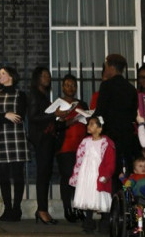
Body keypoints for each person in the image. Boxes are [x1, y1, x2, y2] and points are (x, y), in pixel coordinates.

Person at [0, 66, 29, 221]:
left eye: (3, 74)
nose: (0, 76)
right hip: (2, 138)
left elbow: (19, 116)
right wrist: (5, 115)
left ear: (11, 76)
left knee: (18, 175)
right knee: (3, 176)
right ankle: (8, 209)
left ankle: (17, 208)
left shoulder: (21, 95)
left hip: (17, 138)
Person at [93, 54, 139, 186]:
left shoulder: (106, 86)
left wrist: (90, 120)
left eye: (106, 66)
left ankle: (114, 202)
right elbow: (132, 114)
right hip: (127, 136)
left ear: (111, 67)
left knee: (111, 171)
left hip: (111, 136)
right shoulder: (131, 89)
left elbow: (100, 112)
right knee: (126, 173)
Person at [69, 116, 116, 234]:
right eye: (88, 124)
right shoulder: (85, 141)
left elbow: (110, 161)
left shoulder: (107, 143)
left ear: (100, 128)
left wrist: (107, 175)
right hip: (86, 174)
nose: (88, 126)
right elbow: (79, 158)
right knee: (88, 196)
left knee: (101, 197)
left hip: (99, 174)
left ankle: (105, 224)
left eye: (92, 124)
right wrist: (76, 174)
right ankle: (88, 224)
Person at [27, 66, 60, 225]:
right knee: (43, 174)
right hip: (42, 139)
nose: (48, 78)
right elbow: (33, 117)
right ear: (37, 78)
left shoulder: (42, 95)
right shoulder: (35, 95)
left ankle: (42, 209)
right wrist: (54, 114)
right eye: (44, 76)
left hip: (48, 138)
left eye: (48, 76)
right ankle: (42, 210)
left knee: (46, 174)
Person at [55, 74, 88, 223]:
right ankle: (67, 208)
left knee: (80, 178)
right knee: (67, 176)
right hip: (65, 146)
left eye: (73, 85)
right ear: (62, 87)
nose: (70, 88)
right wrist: (66, 121)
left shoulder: (82, 103)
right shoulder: (57, 104)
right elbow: (54, 126)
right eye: (67, 85)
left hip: (81, 147)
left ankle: (79, 207)